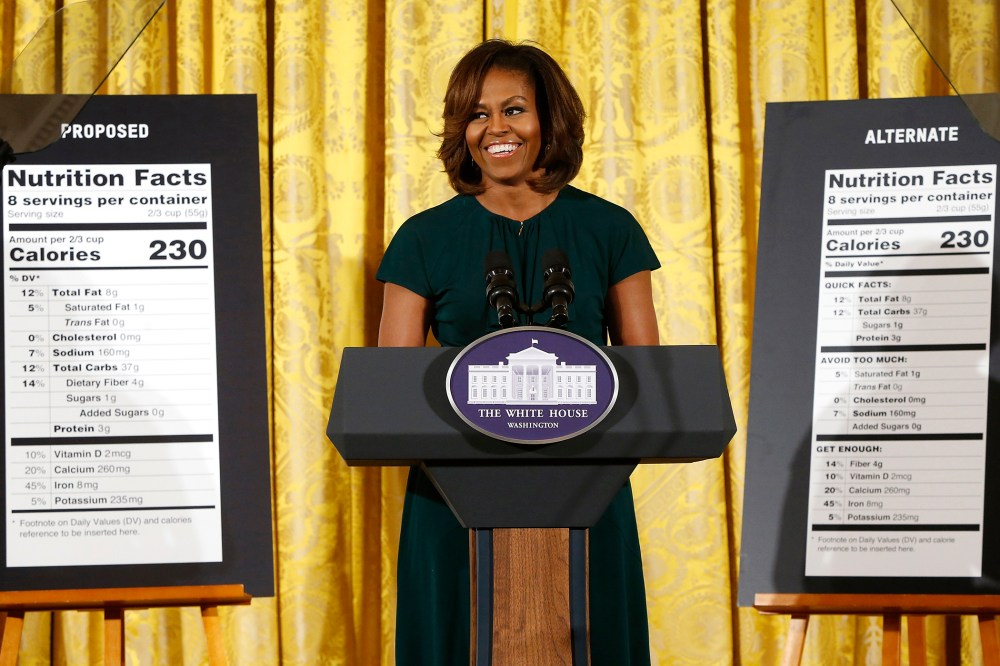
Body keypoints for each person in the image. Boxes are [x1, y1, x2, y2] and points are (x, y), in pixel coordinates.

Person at [377, 39, 660, 666]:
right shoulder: (422, 238)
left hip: (588, 488)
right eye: (478, 114)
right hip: (452, 500)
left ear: (548, 119)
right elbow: (392, 394)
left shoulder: (611, 229)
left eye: (514, 109)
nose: (496, 129)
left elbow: (649, 378)